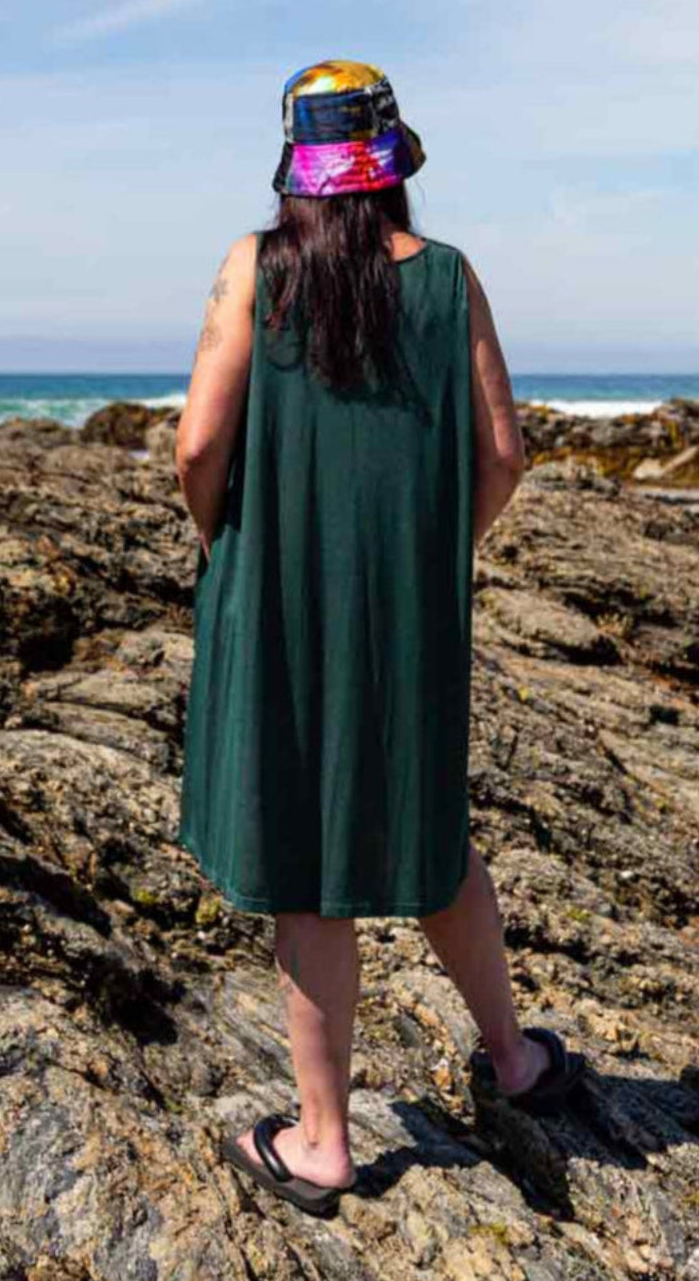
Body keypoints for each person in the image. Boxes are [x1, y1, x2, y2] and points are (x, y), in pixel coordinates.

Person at [174, 59, 583, 1219]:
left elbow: (199, 447)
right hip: (410, 603)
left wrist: (226, 548)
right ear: (390, 161)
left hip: (276, 596)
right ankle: (513, 1060)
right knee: (427, 824)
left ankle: (321, 1143)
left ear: (293, 169)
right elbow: (502, 455)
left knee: (306, 863)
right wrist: (430, 555)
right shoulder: (448, 277)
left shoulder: (256, 268)